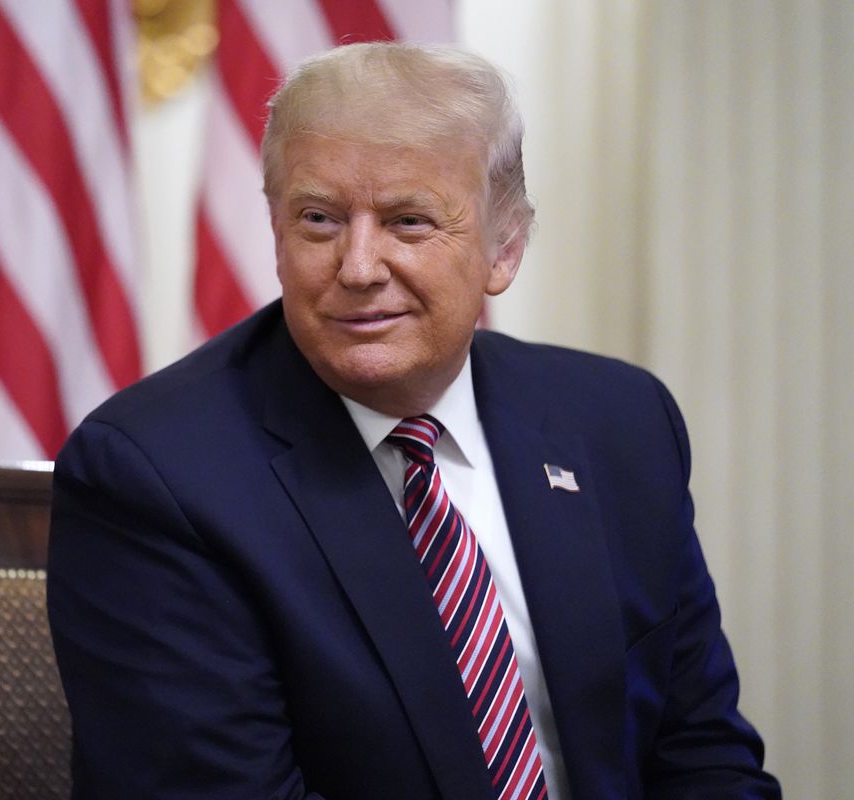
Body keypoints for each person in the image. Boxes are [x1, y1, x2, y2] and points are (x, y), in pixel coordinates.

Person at [46, 42, 779, 800]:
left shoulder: (618, 425)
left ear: (505, 248)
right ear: (275, 231)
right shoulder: (157, 477)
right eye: (320, 218)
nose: (359, 266)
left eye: (408, 221)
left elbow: (702, 757)